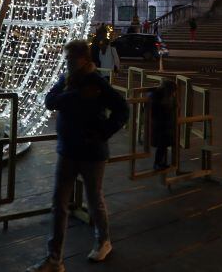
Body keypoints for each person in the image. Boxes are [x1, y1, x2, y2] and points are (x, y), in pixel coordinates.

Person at [28, 41, 129, 272]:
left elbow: (122, 108)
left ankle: (104, 241)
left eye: (71, 57)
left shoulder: (97, 83)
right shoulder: (67, 80)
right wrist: (75, 96)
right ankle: (54, 258)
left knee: (94, 199)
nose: (68, 61)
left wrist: (103, 132)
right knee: (59, 204)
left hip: (92, 152)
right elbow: (49, 101)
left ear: (84, 58)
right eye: (66, 58)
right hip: (67, 150)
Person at [148, 80, 176, 170]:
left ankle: (160, 163)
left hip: (162, 125)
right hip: (160, 125)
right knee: (162, 145)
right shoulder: (158, 98)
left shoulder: (157, 95)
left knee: (163, 146)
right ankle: (157, 163)